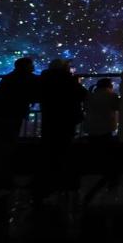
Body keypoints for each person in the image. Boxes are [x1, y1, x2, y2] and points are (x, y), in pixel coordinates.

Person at [34, 59, 88, 202]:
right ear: (64, 68)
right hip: (66, 118)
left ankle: (47, 180)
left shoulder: (43, 79)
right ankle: (63, 180)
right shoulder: (68, 79)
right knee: (65, 148)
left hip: (49, 118)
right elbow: (83, 94)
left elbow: (36, 95)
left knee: (49, 148)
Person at [0, 58, 39, 189]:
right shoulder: (27, 78)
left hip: (2, 113)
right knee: (8, 143)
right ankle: (4, 175)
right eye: (31, 64)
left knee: (3, 142)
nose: (33, 66)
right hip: (12, 114)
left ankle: (1, 174)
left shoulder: (9, 77)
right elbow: (35, 93)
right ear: (25, 66)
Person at [83, 78, 120, 186]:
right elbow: (118, 106)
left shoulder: (90, 95)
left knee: (95, 150)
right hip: (106, 128)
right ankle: (109, 174)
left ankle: (95, 170)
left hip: (91, 127)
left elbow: (85, 107)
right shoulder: (112, 95)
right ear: (109, 86)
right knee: (107, 152)